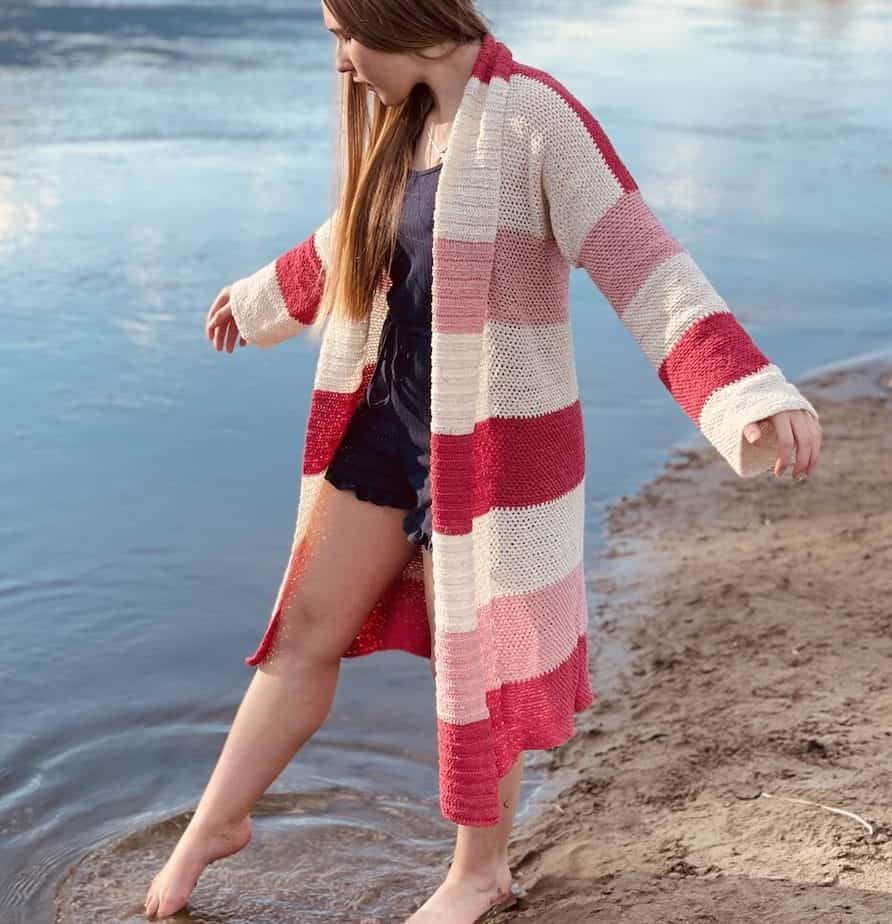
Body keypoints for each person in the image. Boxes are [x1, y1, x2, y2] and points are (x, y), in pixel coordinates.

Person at [144, 1, 823, 921]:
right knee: (302, 630)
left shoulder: (536, 117)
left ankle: (479, 873)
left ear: (403, 18)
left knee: (481, 653)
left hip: (496, 446)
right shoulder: (409, 126)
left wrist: (747, 389)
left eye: (345, 35)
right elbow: (352, 236)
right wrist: (261, 296)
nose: (340, 62)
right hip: (383, 425)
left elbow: (640, 260)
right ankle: (211, 830)